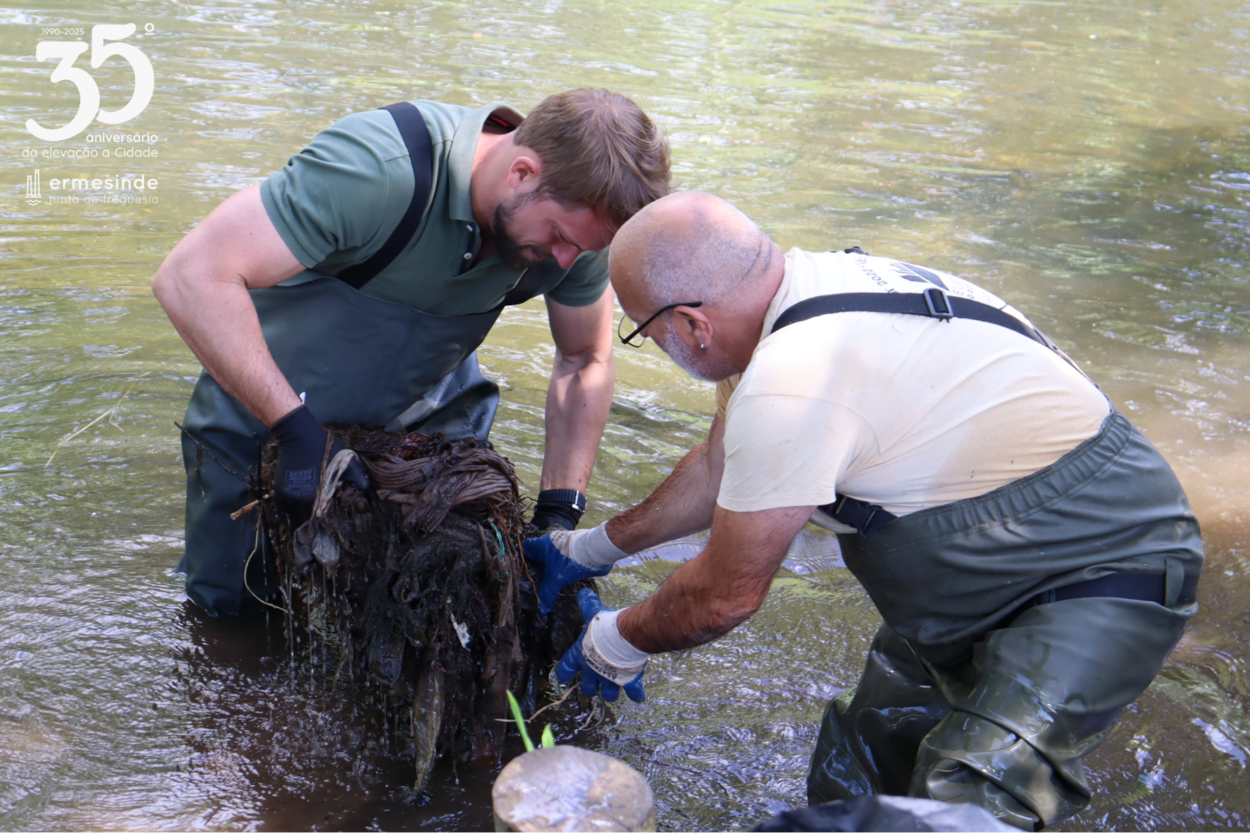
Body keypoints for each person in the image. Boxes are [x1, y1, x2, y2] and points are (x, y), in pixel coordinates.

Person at [523, 192, 1203, 829]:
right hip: (972, 564)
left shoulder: (792, 382)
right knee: (861, 761)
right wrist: (589, 548)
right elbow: (715, 470)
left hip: (1104, 563)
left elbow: (725, 596)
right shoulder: (789, 300)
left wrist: (621, 639)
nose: (651, 343)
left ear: (692, 323)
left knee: (973, 789)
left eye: (643, 330)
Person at [152, 88, 670, 617]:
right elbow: (192, 275)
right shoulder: (378, 169)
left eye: (582, 248)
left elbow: (584, 359)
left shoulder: (577, 235)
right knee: (231, 615)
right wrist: (295, 431)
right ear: (521, 173)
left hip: (426, 439)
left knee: (442, 613)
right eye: (559, 237)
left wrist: (559, 513)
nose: (565, 260)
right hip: (263, 423)